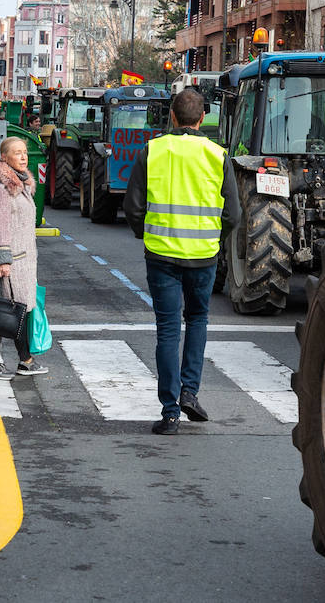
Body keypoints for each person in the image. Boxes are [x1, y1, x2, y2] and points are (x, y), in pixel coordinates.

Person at [124, 88, 240, 435]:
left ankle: (170, 411)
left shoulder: (153, 151)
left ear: (172, 117)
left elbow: (133, 207)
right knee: (198, 320)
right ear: (202, 118)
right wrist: (213, 240)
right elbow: (233, 214)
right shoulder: (217, 154)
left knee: (168, 330)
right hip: (203, 257)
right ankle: (191, 392)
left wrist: (146, 235)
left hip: (161, 256)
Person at [0, 136, 46, 379]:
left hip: (23, 260)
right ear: (4, 157)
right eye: (17, 153)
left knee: (16, 310)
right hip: (10, 261)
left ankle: (25, 360)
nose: (23, 156)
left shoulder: (21, 184)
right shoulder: (1, 187)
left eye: (25, 152)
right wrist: (2, 259)